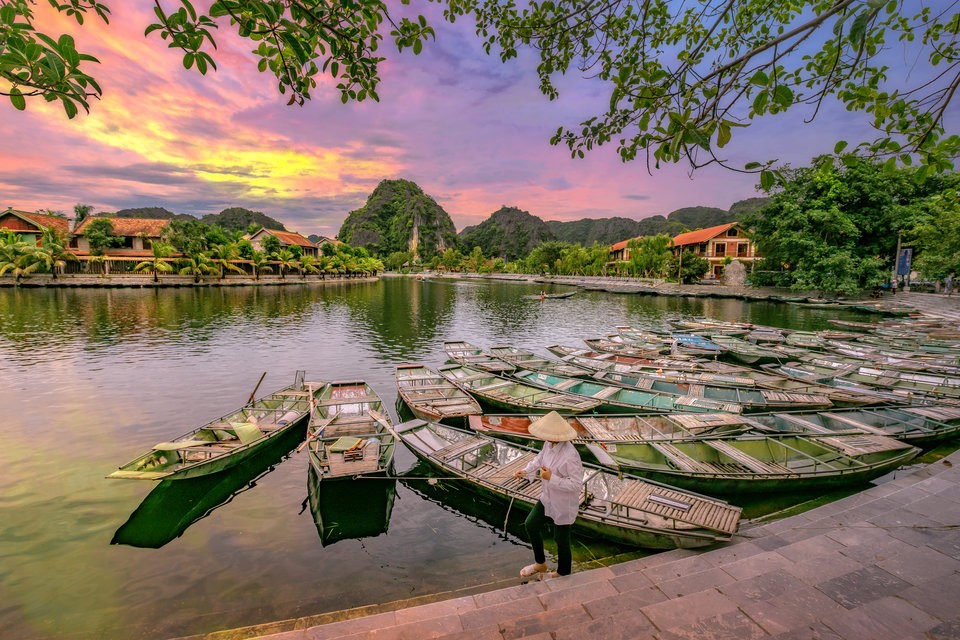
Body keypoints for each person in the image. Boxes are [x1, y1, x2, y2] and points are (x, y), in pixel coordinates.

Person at [513, 411, 584, 579]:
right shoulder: (548, 444)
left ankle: (563, 573)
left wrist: (551, 478)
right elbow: (539, 459)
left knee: (561, 539)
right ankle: (540, 563)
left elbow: (576, 485)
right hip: (547, 497)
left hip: (563, 502)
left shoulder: (570, 456)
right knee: (531, 524)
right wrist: (525, 470)